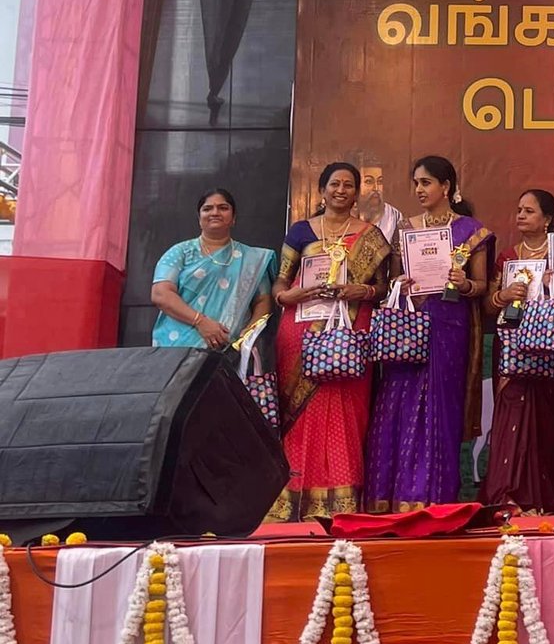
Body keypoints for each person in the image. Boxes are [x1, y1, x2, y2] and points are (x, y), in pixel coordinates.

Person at [367, 155, 493, 511]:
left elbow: (482, 285)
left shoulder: (471, 230)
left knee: (439, 410)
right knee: (398, 406)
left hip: (448, 328)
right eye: (416, 183)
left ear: (446, 187)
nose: (419, 190)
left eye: (426, 183)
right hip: (407, 329)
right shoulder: (406, 228)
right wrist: (400, 283)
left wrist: (465, 282)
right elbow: (393, 277)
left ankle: (434, 498)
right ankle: (392, 498)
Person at [268, 162, 391, 519]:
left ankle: (342, 502)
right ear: (322, 190)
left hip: (351, 332)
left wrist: (361, 289)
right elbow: (281, 281)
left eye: (349, 185)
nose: (341, 190)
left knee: (346, 411)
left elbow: (383, 289)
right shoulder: (301, 231)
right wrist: (285, 297)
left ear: (357, 193)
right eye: (334, 184)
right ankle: (290, 500)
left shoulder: (372, 235)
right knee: (299, 414)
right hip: (300, 328)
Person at [482, 189, 554, 515]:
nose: (521, 215)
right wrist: (505, 294)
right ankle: (504, 494)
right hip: (511, 347)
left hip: (550, 349)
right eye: (519, 209)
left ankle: (538, 496)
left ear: (548, 219)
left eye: (529, 211)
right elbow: (487, 304)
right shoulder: (508, 256)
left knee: (545, 420)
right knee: (510, 414)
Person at [150, 188, 276, 348]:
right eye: (207, 208)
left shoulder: (252, 259)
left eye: (223, 208)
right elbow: (160, 294)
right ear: (199, 218)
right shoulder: (180, 252)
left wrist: (248, 335)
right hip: (177, 347)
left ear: (233, 218)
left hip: (230, 349)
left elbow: (262, 300)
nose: (215, 212)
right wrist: (200, 322)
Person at [355, 157, 406, 246]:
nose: (376, 188)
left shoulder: (394, 216)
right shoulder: (346, 214)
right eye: (369, 181)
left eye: (380, 181)